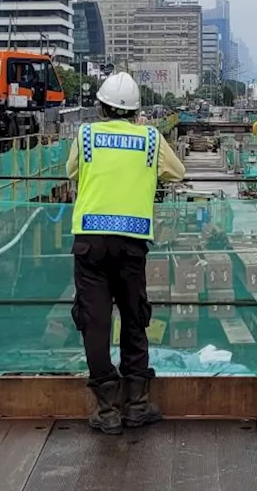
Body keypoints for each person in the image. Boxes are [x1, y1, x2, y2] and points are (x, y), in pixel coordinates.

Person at [66, 70, 186, 435]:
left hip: (90, 241)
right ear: (135, 112)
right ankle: (137, 405)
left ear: (101, 107)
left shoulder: (85, 135)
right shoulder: (151, 140)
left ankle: (107, 411)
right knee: (134, 318)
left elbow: (71, 172)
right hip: (132, 242)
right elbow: (177, 173)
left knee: (95, 323)